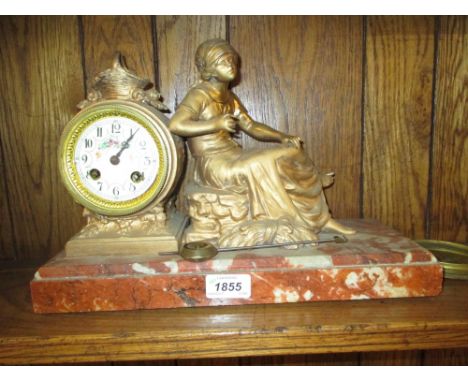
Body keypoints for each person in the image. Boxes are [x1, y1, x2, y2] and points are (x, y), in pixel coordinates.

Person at [169, 38, 354, 246]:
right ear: (209, 68)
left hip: (233, 154)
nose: (231, 65)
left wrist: (282, 136)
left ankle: (321, 218)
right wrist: (215, 123)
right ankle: (291, 220)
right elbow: (176, 125)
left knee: (289, 151)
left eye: (233, 60)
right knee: (262, 162)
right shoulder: (199, 95)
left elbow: (251, 126)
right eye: (223, 61)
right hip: (214, 164)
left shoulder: (229, 96)